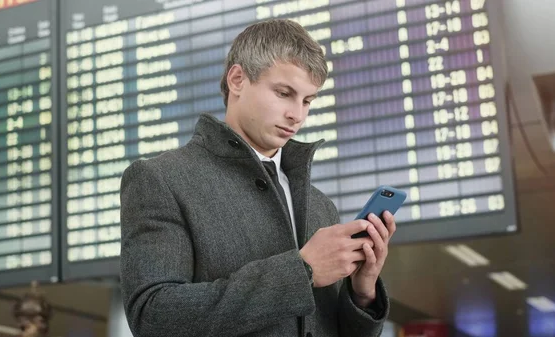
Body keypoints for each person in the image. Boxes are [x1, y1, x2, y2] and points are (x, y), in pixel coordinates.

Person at [120, 18, 397, 337]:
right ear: (237, 79)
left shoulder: (320, 207)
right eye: (284, 93)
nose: (298, 114)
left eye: (307, 100)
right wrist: (301, 272)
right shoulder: (161, 179)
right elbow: (154, 317)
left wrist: (362, 294)